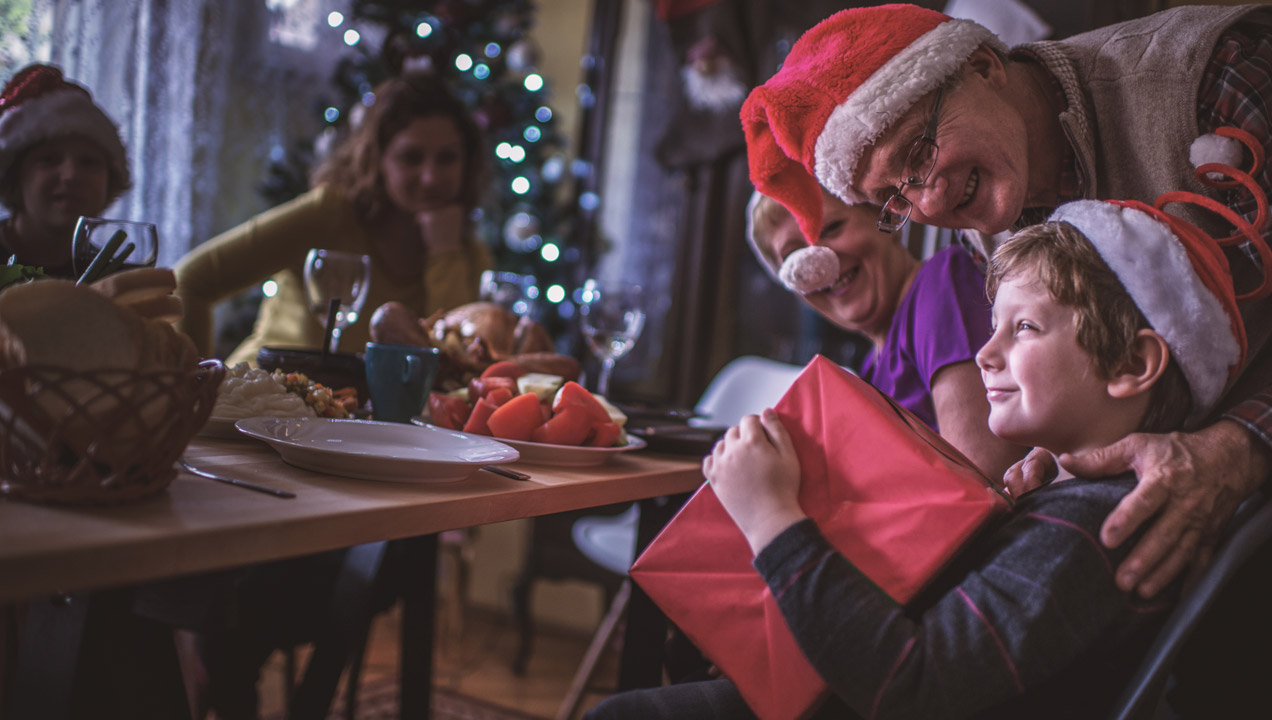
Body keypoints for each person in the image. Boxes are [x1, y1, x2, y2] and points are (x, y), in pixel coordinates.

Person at [589, 179, 1262, 718]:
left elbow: (910, 684)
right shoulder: (1065, 503)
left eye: (1023, 327)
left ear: (1132, 366)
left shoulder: (1092, 528)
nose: (985, 351)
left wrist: (770, 518)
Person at [741, 2, 1272, 600]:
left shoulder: (1208, 78)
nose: (934, 208)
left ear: (985, 66)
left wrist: (1238, 448)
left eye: (917, 155)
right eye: (895, 198)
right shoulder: (980, 215)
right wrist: (1061, 448)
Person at [175, 72, 492, 365]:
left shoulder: (468, 256)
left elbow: (451, 365)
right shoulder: (330, 215)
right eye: (411, 158)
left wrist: (444, 254)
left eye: (447, 158)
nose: (430, 177)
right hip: (252, 408)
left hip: (352, 424)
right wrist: (190, 393)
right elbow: (191, 280)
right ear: (378, 159)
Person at [747, 190, 1025, 480]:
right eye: (795, 257)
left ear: (887, 216)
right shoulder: (871, 368)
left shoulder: (941, 287)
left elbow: (983, 479)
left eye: (831, 229)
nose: (819, 263)